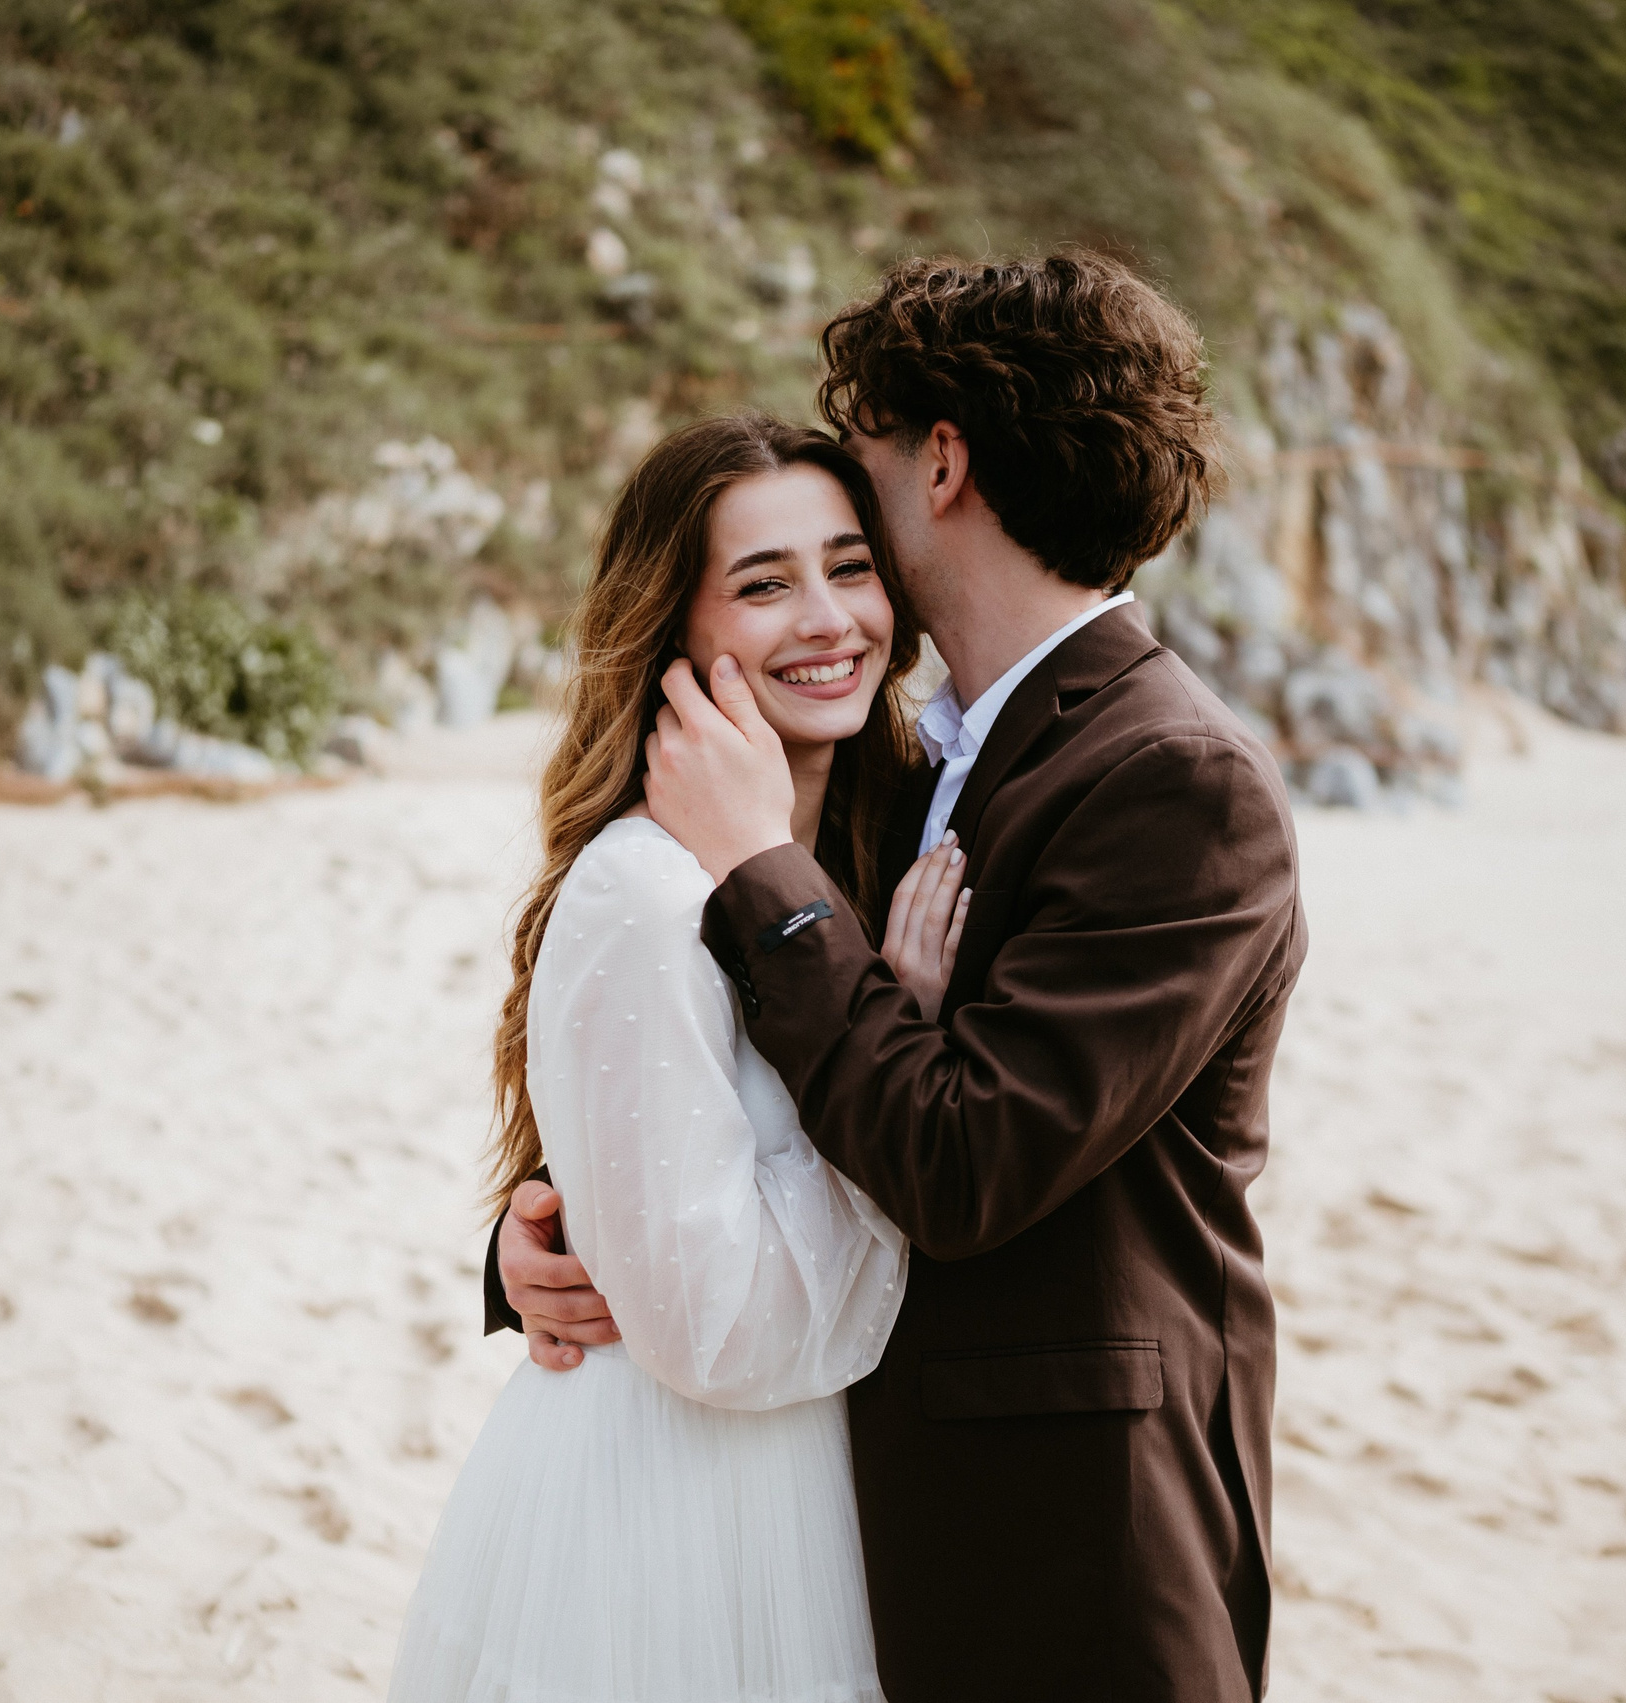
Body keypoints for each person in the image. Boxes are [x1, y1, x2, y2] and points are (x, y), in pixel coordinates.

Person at [490, 251, 1306, 1702]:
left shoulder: (1170, 776)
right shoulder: (906, 764)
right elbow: (699, 1076)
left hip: (1059, 1549)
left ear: (938, 461)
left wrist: (763, 871)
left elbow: (962, 1157)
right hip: (811, 1518)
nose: (837, 571)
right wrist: (543, 1241)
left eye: (861, 468)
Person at [391, 412, 978, 1702]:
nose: (826, 619)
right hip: (684, 1510)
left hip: (828, 1480)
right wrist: (909, 1033)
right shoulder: (646, 898)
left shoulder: (893, 834)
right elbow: (709, 1324)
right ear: (675, 628)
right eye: (763, 585)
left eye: (850, 566)